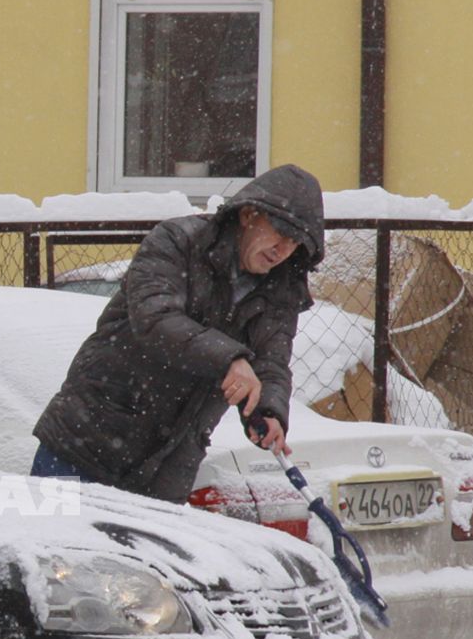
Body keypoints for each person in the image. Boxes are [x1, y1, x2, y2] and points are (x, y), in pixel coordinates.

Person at [31, 164, 325, 504]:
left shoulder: (281, 287)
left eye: (294, 242)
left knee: (144, 560)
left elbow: (272, 362)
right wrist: (231, 359)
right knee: (62, 555)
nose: (282, 249)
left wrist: (270, 410)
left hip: (167, 468)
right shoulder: (177, 242)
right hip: (86, 444)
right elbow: (155, 319)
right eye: (278, 231)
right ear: (248, 215)